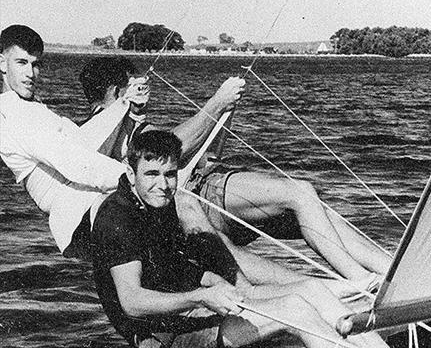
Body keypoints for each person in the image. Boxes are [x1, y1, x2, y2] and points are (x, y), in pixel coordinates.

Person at [91, 128, 431, 348]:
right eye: (152, 174)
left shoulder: (159, 203)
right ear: (129, 169)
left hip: (197, 314)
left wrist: (211, 282)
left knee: (315, 292)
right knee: (294, 309)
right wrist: (200, 295)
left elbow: (174, 269)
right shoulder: (117, 220)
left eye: (170, 174)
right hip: (173, 343)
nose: (163, 185)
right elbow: (132, 302)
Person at [78, 55, 390, 284]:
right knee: (300, 193)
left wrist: (224, 115)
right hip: (198, 199)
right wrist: (216, 102)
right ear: (116, 93)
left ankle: (386, 271)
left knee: (312, 210)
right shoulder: (103, 130)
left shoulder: (128, 124)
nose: (144, 94)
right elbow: (171, 150)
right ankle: (358, 282)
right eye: (136, 88)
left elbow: (207, 154)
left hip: (203, 196)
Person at [0, 24, 242, 258]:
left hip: (87, 210)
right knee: (185, 206)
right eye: (21, 63)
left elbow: (82, 142)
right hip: (80, 218)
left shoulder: (29, 108)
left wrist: (126, 105)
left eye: (36, 64)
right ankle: (243, 286)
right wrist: (139, 180)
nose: (31, 74)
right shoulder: (13, 115)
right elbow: (78, 164)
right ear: (2, 63)